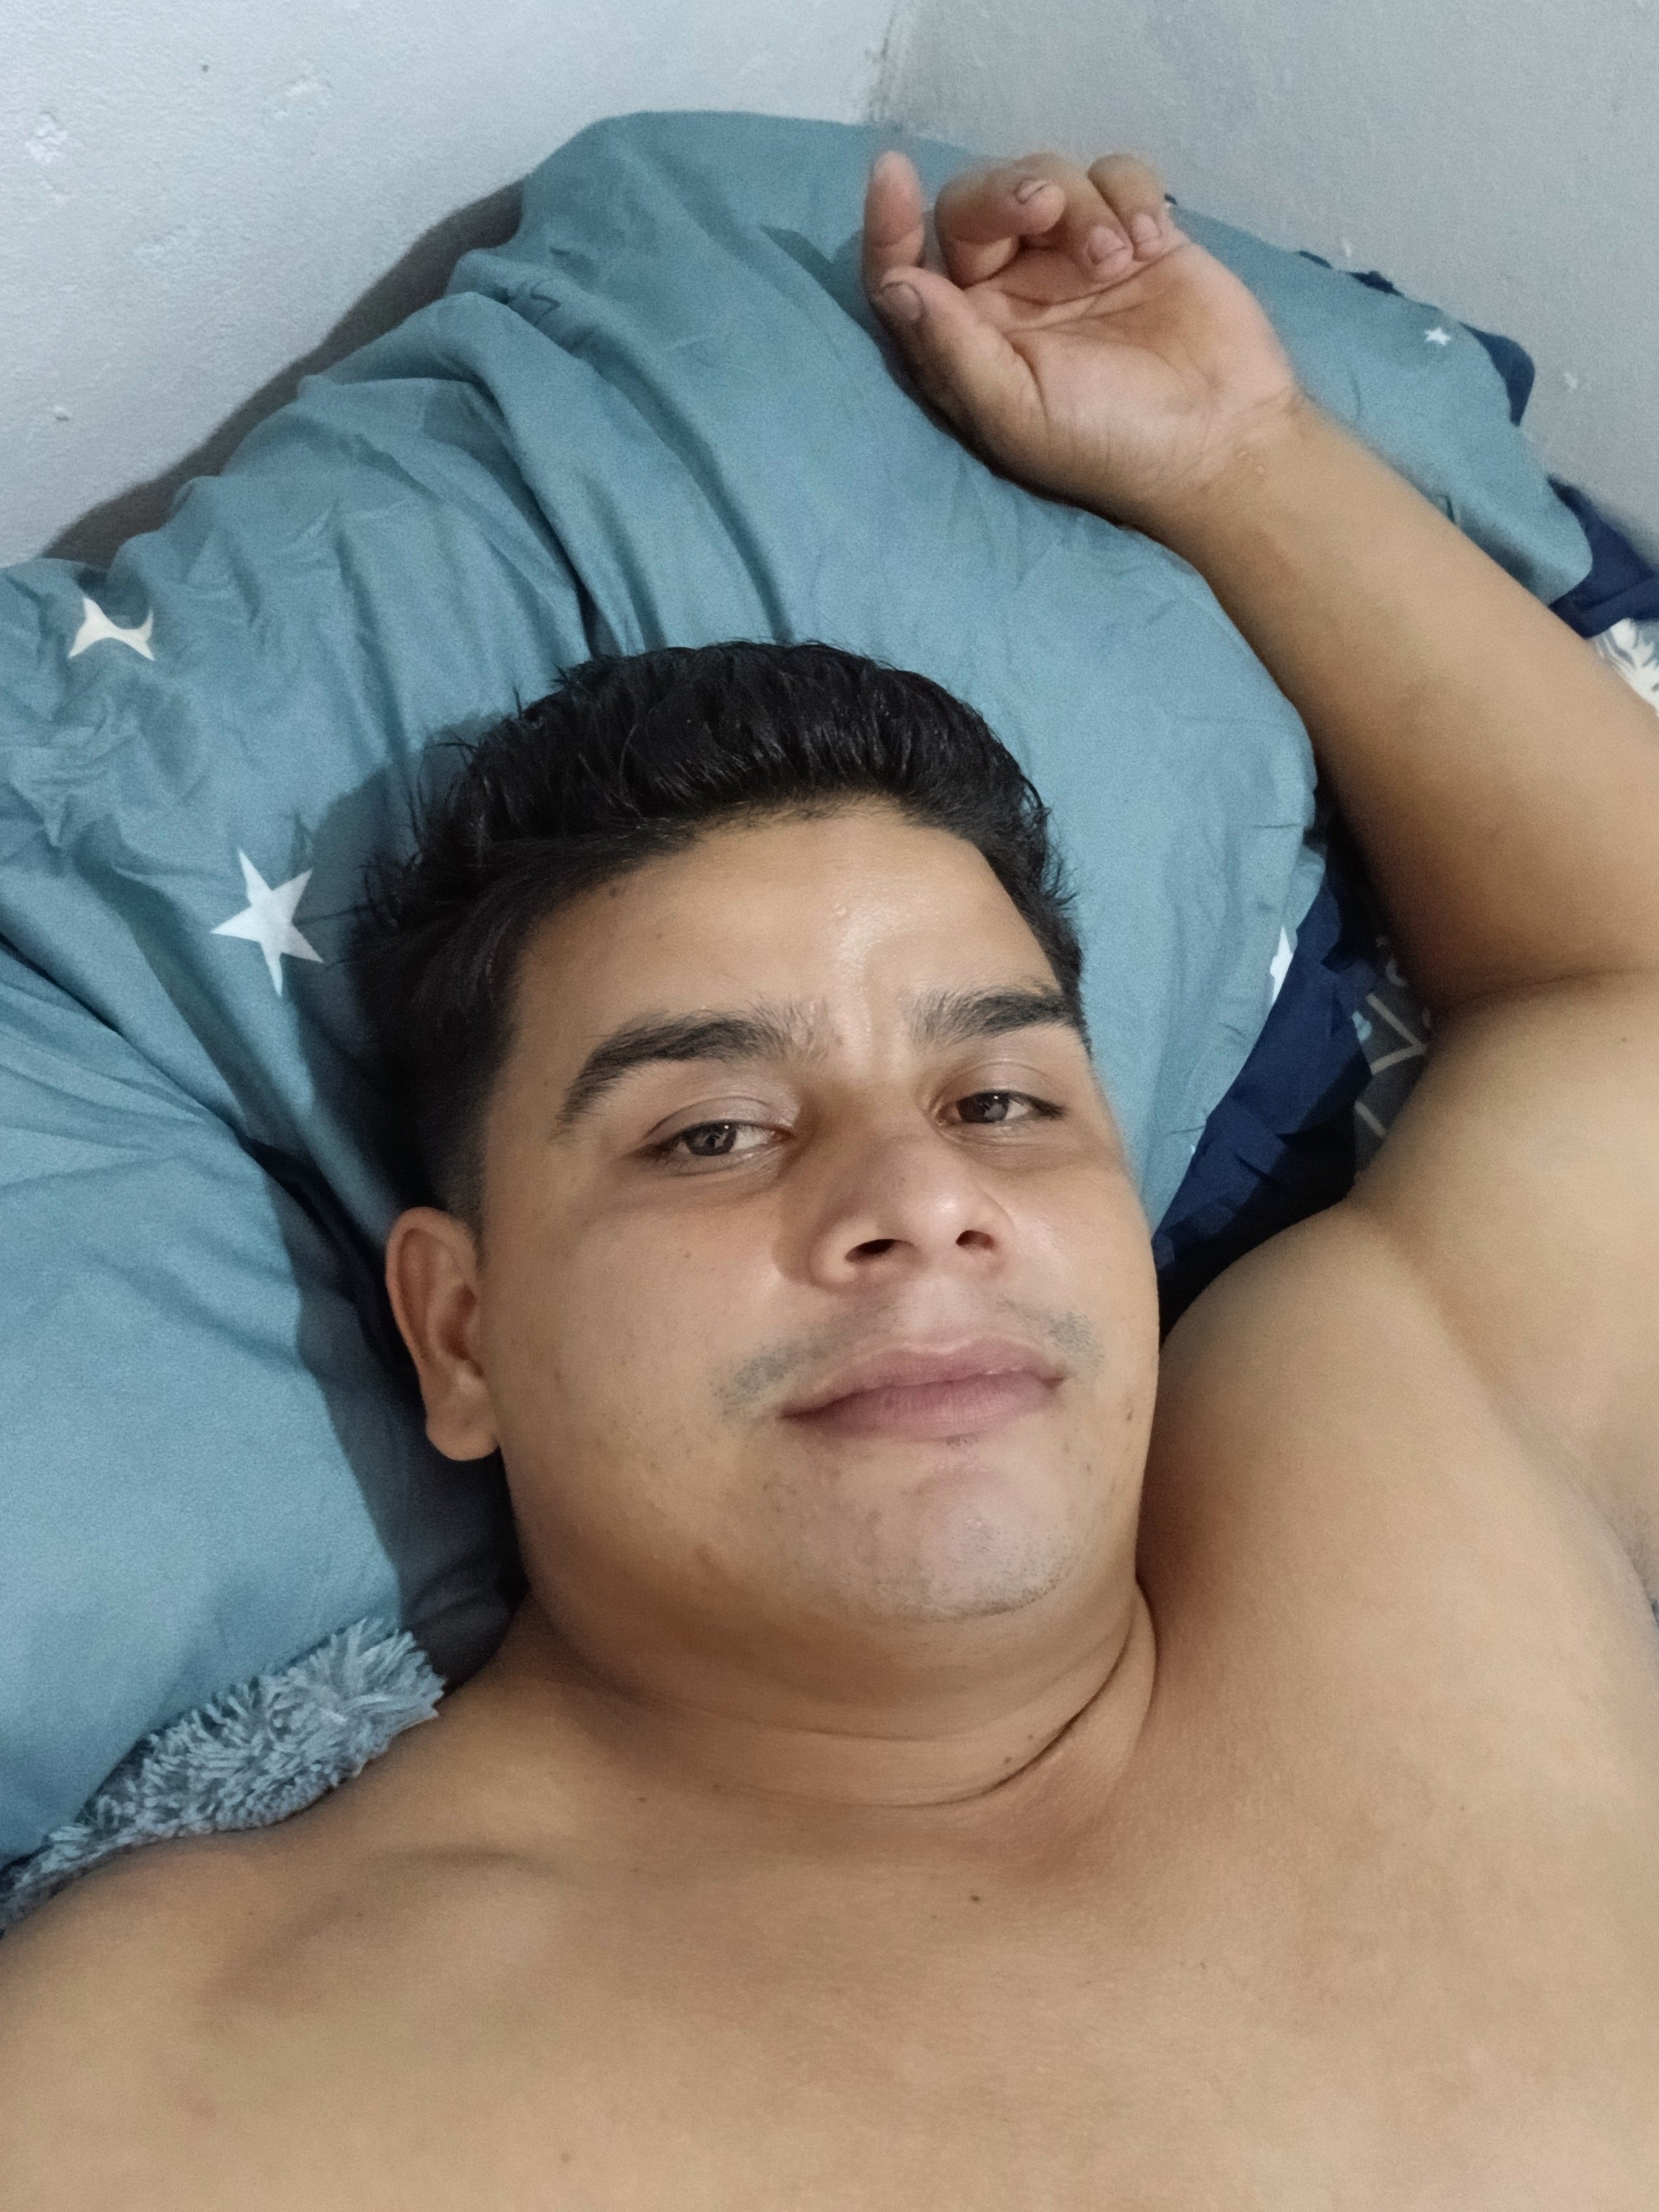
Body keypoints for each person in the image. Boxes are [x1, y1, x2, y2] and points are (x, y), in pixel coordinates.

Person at [3, 143, 1657, 2207]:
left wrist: (1244, 461)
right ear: (463, 1331)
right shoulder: (189, 2068)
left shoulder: (1381, 1477)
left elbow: (1620, 981)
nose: (920, 1203)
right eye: (711, 1132)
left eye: (1004, 1103)